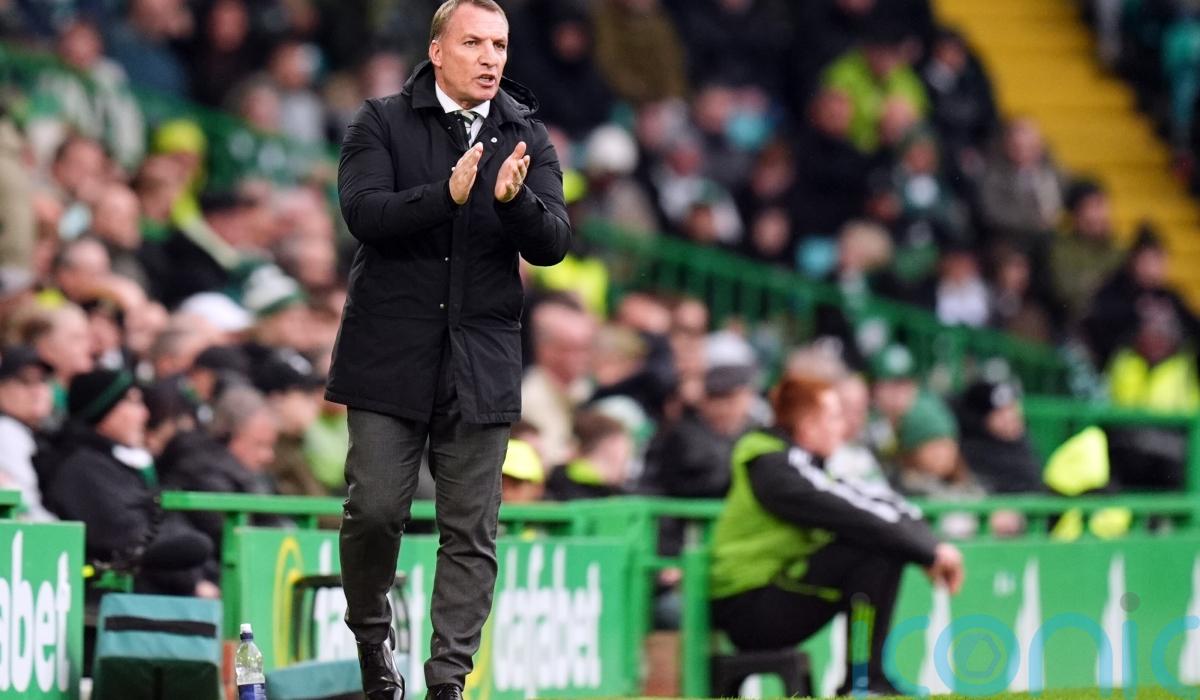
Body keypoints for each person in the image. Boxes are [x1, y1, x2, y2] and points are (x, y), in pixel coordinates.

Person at [326, 2, 571, 698]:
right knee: (375, 509)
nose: (491, 58)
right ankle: (371, 637)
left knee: (471, 531)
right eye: (473, 43)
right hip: (389, 351)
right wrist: (447, 195)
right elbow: (362, 214)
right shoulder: (380, 121)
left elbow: (554, 242)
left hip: (481, 359)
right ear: (437, 51)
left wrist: (514, 203)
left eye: (500, 44)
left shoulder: (525, 133)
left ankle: (447, 682)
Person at [709, 376, 964, 694]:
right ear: (808, 425)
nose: (841, 427)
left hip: (775, 589)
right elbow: (855, 513)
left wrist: (928, 546)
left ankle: (865, 679)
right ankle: (864, 681)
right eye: (833, 417)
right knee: (873, 546)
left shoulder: (805, 466)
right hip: (746, 608)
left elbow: (880, 502)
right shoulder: (773, 469)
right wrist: (929, 552)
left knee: (880, 547)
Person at [0, 346, 57, 521]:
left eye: (42, 381)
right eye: (25, 382)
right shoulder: (6, 431)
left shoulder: (37, 433)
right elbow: (26, 507)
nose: (37, 391)